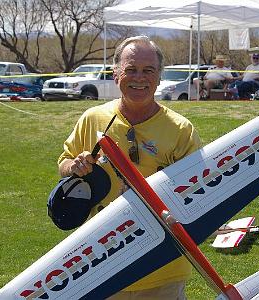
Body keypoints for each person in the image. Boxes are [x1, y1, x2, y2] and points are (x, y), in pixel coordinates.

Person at [57, 35, 202, 299]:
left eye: (149, 71)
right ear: (115, 74)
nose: (139, 78)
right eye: (131, 69)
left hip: (163, 266)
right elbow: (64, 162)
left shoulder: (181, 130)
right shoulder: (93, 118)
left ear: (159, 78)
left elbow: (198, 192)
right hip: (102, 261)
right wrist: (74, 166)